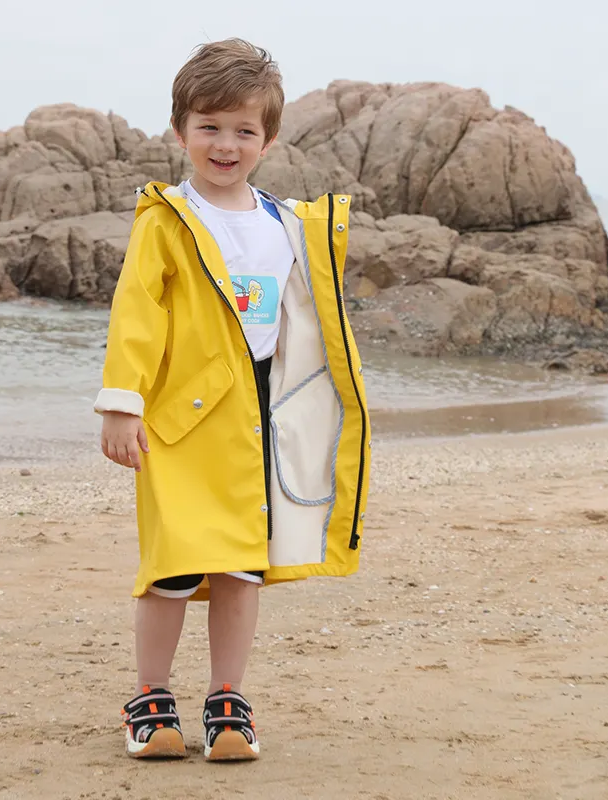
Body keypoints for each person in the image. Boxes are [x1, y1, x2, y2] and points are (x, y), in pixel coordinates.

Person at [94, 38, 371, 762]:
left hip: (258, 421)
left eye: (244, 130)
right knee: (174, 565)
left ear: (268, 140)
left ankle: (227, 701)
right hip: (180, 425)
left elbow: (305, 329)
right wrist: (122, 404)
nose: (226, 144)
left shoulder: (288, 224)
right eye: (210, 127)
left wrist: (321, 413)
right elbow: (137, 314)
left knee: (241, 566)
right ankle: (150, 701)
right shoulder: (166, 219)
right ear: (181, 131)